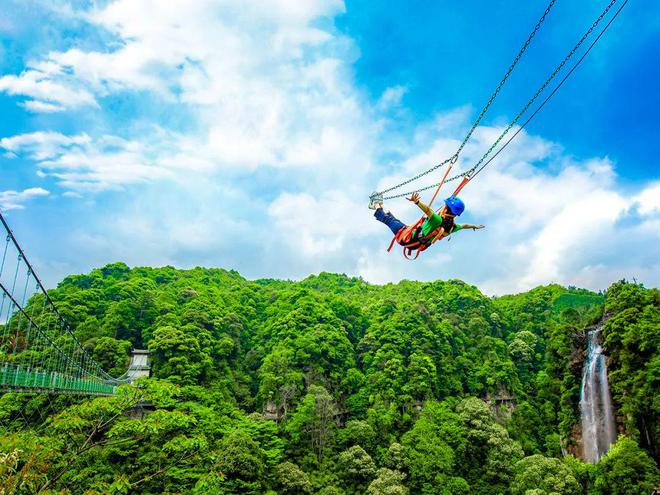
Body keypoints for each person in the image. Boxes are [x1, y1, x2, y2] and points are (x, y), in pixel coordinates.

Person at [370, 192, 484, 251]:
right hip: (415, 243)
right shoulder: (452, 227)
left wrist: (416, 202)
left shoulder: (437, 219)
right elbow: (464, 225)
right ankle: (381, 205)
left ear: (445, 208)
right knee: (395, 220)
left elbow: (428, 210)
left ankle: (375, 205)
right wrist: (475, 226)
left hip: (407, 238)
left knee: (388, 220)